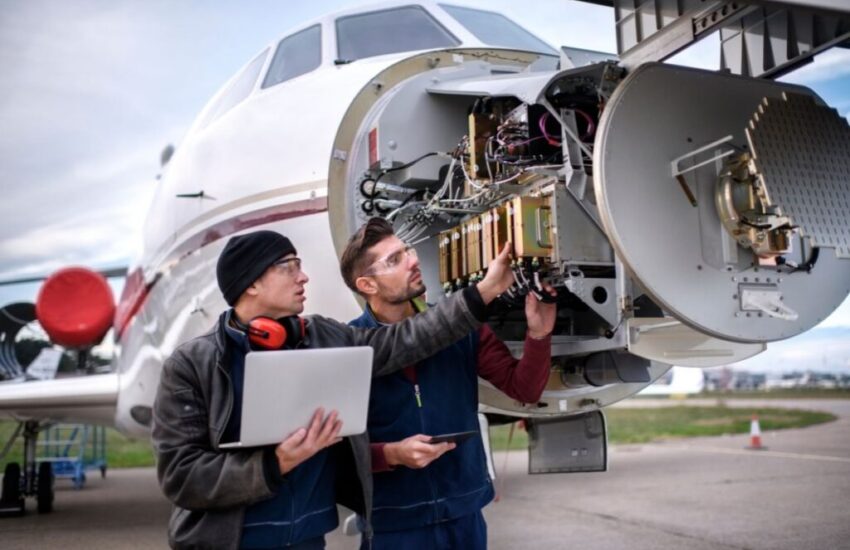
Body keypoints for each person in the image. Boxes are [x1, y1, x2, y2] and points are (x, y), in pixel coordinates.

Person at [151, 229, 515, 550]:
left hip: (309, 540)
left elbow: (406, 340)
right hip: (228, 543)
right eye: (289, 266)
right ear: (251, 283)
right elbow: (181, 477)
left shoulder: (323, 336)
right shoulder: (192, 365)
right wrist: (276, 462)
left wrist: (482, 293)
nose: (304, 276)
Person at [339, 218, 556, 550]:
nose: (413, 260)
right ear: (367, 285)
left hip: (463, 515)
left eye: (406, 250)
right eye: (394, 260)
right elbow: (334, 453)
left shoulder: (461, 328)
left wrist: (539, 334)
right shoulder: (349, 345)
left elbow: (524, 389)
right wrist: (391, 454)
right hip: (394, 523)